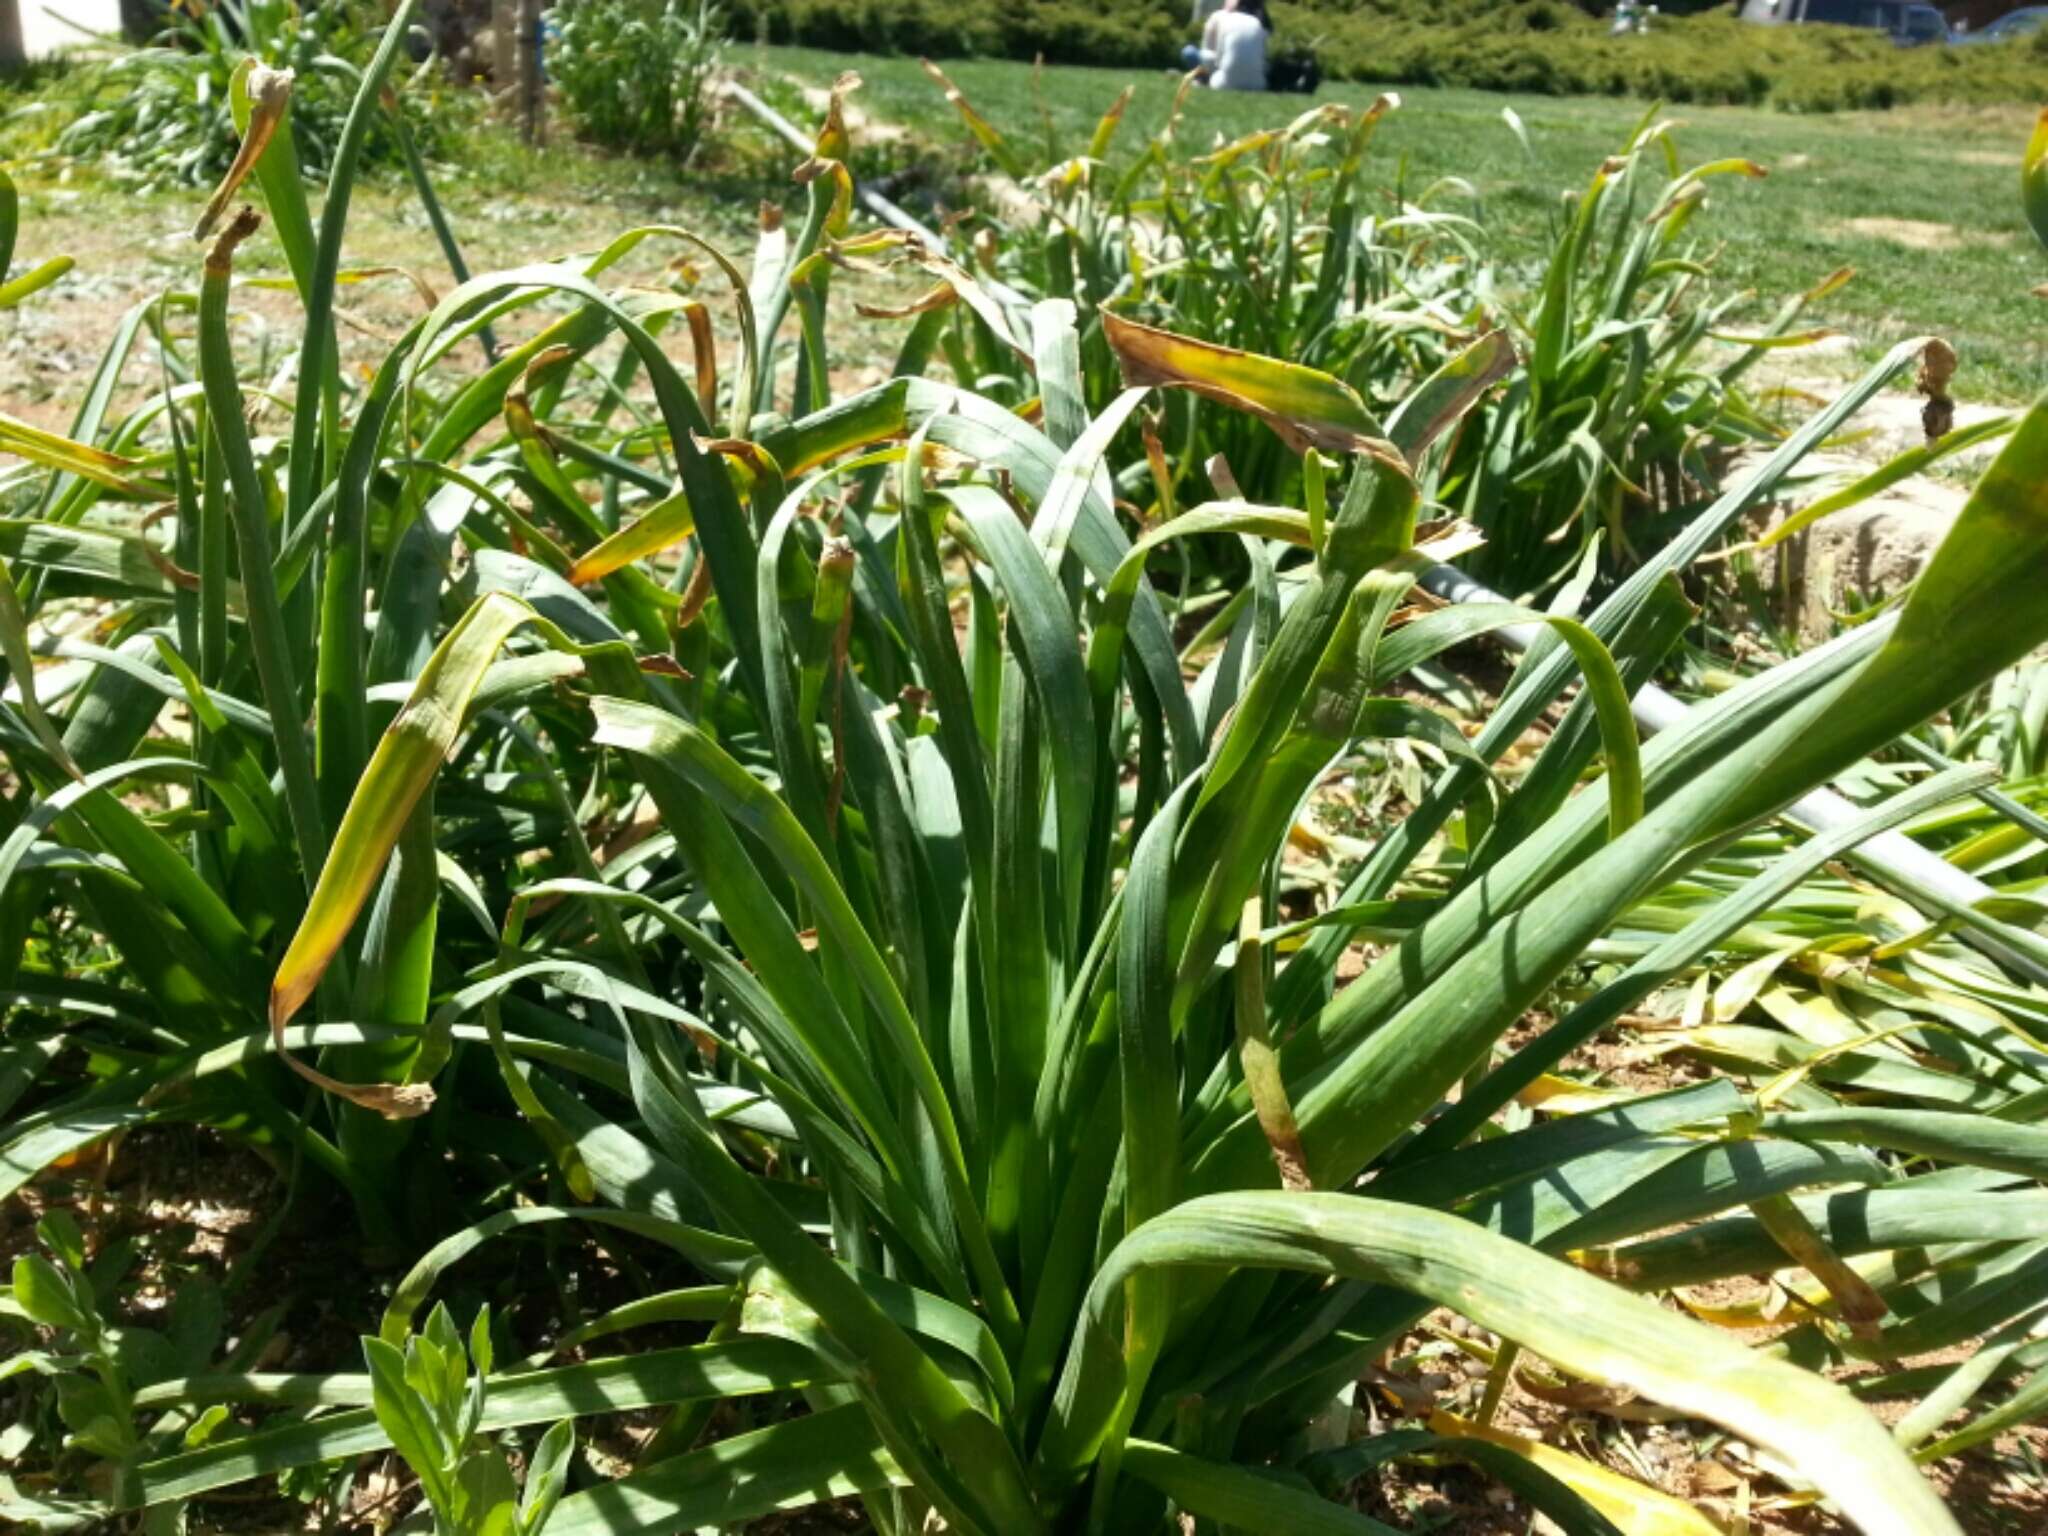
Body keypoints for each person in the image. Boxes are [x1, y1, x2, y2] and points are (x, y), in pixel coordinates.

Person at [1179, 0, 1270, 91]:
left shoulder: (1222, 17)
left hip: (1224, 83)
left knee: (1189, 52)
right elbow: (1263, 58)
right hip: (1258, 85)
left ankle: (1201, 80)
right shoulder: (1258, 24)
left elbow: (1214, 55)